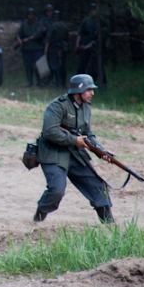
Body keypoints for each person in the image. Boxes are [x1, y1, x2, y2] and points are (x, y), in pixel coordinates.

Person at [33, 74, 115, 223]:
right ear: (79, 89)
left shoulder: (86, 107)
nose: (92, 93)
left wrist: (101, 150)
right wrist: (74, 140)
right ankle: (39, 217)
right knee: (56, 190)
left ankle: (109, 224)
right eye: (89, 90)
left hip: (75, 154)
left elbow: (88, 134)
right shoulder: (58, 105)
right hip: (53, 153)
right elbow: (50, 131)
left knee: (97, 186)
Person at [75, 3, 108, 81]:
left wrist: (106, 44)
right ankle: (80, 81)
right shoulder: (86, 20)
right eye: (92, 10)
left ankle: (100, 82)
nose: (93, 11)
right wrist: (77, 45)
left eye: (94, 10)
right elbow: (80, 33)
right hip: (86, 44)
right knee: (82, 64)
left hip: (97, 44)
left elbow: (107, 33)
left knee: (96, 65)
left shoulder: (102, 20)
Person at [16, 8, 44, 87]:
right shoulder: (24, 23)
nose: (31, 16)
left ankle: (39, 81)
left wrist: (28, 39)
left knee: (38, 66)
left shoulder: (38, 23)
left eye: (32, 14)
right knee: (28, 66)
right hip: (26, 48)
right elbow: (18, 33)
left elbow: (38, 34)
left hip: (36, 47)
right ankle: (29, 81)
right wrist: (19, 39)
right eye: (29, 14)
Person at [44, 10, 69, 87]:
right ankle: (63, 82)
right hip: (63, 47)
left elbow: (48, 38)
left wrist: (45, 50)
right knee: (63, 65)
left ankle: (58, 82)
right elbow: (67, 37)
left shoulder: (53, 26)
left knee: (55, 65)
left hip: (54, 48)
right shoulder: (65, 25)